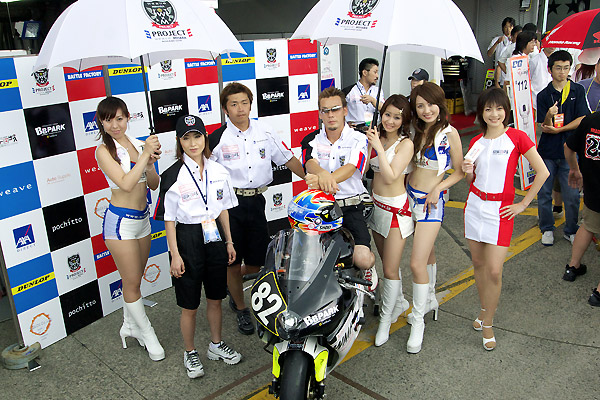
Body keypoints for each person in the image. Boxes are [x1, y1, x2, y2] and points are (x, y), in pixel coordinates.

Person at [209, 82, 305, 335]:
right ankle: (241, 307)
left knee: (255, 263)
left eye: (244, 103)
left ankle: (233, 286)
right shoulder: (217, 138)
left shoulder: (265, 130)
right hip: (229, 206)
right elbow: (202, 171)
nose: (240, 109)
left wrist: (310, 178)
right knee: (232, 262)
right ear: (225, 109)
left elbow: (287, 158)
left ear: (251, 105)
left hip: (257, 202)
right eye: (233, 104)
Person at [154, 115, 241, 378]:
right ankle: (190, 352)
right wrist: (175, 255)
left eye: (197, 136)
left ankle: (216, 345)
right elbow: (169, 220)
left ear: (205, 138)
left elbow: (223, 209)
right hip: (187, 239)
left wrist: (229, 241)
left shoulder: (218, 170)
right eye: (186, 138)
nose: (193, 143)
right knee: (189, 304)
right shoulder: (171, 175)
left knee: (215, 298)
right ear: (179, 142)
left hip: (215, 237)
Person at [462, 88, 549, 350]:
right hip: (475, 206)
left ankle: (488, 322)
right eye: (488, 109)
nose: (494, 114)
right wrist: (467, 171)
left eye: (499, 108)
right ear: (481, 113)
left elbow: (543, 172)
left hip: (501, 211)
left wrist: (523, 204)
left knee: (494, 270)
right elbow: (471, 180)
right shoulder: (476, 141)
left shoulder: (516, 137)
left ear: (506, 111)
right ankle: (484, 309)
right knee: (478, 264)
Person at [94, 96, 164, 361]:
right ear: (101, 122)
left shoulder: (138, 144)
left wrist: (150, 163)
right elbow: (125, 184)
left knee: (133, 279)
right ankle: (147, 333)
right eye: (108, 120)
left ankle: (129, 325)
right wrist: (145, 155)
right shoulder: (103, 150)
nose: (115, 125)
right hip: (120, 223)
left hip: (143, 220)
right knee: (133, 283)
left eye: (119, 118)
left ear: (127, 118)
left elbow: (153, 184)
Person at [405, 82, 464, 354]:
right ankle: (429, 298)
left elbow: (460, 171)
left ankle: (418, 320)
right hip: (408, 198)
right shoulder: (416, 130)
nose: (426, 110)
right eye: (420, 106)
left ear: (440, 104)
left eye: (430, 104)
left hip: (431, 204)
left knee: (416, 262)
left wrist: (439, 188)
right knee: (426, 253)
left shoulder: (449, 133)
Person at [302, 87, 377, 286]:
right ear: (320, 114)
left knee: (363, 259)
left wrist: (323, 179)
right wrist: (322, 174)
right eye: (325, 111)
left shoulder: (359, 138)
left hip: (351, 205)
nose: (330, 115)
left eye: (335, 109)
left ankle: (369, 270)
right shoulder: (311, 139)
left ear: (345, 110)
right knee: (310, 259)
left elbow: (352, 167)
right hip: (321, 207)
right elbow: (309, 163)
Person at [365, 95, 414, 346]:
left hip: (396, 210)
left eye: (397, 117)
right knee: (387, 263)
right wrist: (369, 144)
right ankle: (400, 301)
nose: (390, 121)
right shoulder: (377, 137)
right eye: (387, 115)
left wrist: (378, 147)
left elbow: (392, 175)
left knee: (390, 270)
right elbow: (365, 169)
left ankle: (385, 320)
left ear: (404, 120)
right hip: (376, 206)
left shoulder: (406, 144)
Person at [537, 50, 591, 246]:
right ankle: (546, 228)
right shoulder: (544, 95)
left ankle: (571, 229)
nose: (562, 72)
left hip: (570, 150)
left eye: (566, 68)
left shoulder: (577, 90)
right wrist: (549, 115)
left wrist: (561, 129)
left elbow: (582, 118)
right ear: (550, 69)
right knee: (544, 192)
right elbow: (543, 126)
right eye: (558, 68)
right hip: (547, 151)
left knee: (572, 194)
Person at [563, 111, 600, 307]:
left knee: (587, 226)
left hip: (593, 191)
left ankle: (572, 266)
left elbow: (568, 147)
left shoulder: (590, 120)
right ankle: (598, 293)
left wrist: (574, 169)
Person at [344, 58, 384, 126]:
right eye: (375, 72)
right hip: (355, 128)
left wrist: (373, 100)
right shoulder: (349, 91)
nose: (377, 76)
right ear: (365, 73)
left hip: (373, 128)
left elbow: (384, 109)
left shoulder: (378, 91)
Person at [488, 17, 516, 87]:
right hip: (498, 76)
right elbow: (489, 54)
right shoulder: (497, 39)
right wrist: (497, 42)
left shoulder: (516, 42)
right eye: (506, 27)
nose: (508, 29)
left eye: (510, 27)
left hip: (510, 77)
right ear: (503, 28)